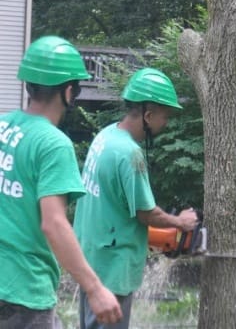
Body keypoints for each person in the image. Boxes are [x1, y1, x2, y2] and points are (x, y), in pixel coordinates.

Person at [0, 35, 123, 328]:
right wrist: (94, 288)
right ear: (69, 91)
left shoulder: (2, 126)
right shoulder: (53, 144)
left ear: (28, 84)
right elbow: (53, 223)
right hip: (24, 291)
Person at [74, 68, 198, 329]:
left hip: (91, 256)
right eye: (165, 116)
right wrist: (181, 222)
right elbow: (146, 213)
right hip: (112, 266)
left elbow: (114, 204)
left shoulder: (106, 136)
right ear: (148, 115)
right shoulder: (130, 154)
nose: (166, 123)